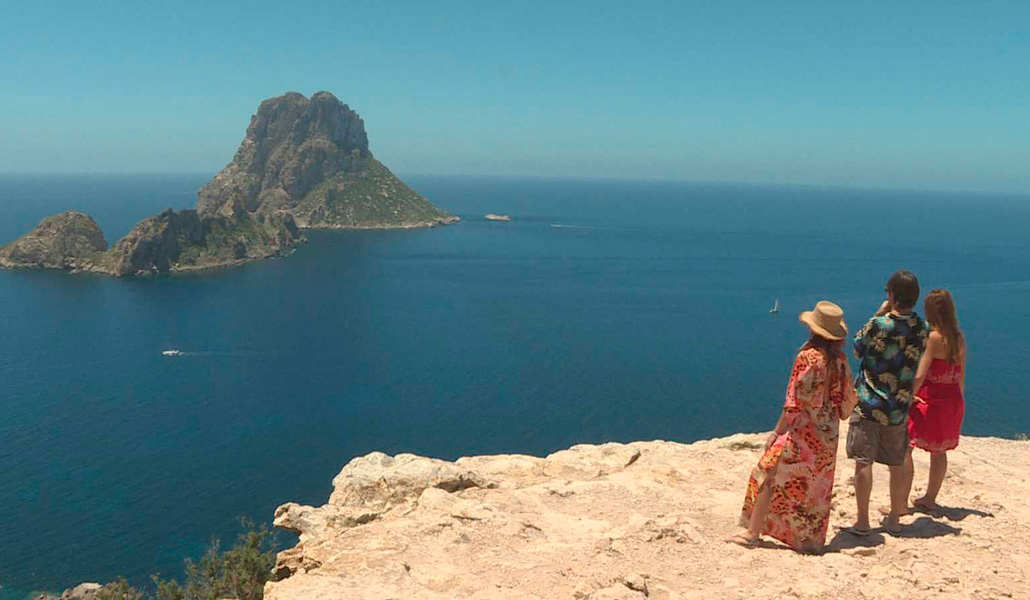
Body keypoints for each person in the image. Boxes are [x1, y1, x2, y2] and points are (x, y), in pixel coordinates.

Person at [728, 301, 858, 552]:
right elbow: (848, 401)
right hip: (827, 436)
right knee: (815, 488)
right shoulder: (841, 361)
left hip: (801, 433)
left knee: (767, 472)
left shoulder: (806, 358)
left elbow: (793, 403)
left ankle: (753, 533)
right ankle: (808, 542)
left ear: (813, 330)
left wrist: (777, 431)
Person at [847, 270, 929, 536]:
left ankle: (862, 521)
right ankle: (895, 518)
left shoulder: (879, 324)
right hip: (899, 407)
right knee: (897, 462)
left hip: (869, 403)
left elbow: (857, 347)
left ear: (892, 296)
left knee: (863, 461)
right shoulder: (923, 327)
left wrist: (880, 313)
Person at [903, 289, 966, 511]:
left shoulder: (934, 338)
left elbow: (920, 374)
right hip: (953, 401)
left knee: (906, 447)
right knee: (939, 452)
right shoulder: (958, 337)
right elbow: (961, 375)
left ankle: (900, 502)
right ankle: (930, 498)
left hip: (931, 402)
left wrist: (909, 396)